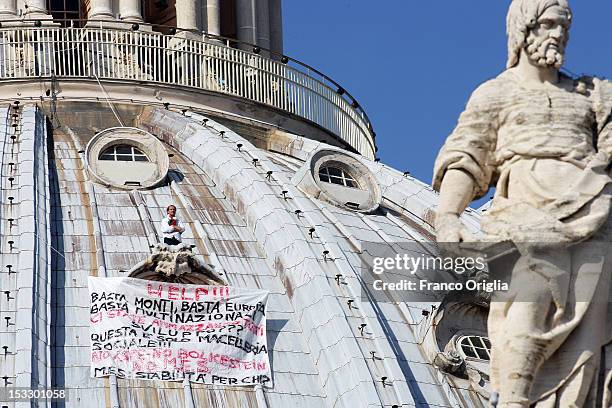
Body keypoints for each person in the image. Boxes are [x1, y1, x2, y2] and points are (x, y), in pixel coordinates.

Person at [433, 0, 612, 406]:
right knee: (522, 315)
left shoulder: (591, 96)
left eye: (563, 26)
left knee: (592, 330)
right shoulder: (497, 93)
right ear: (523, 29)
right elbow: (468, 156)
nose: (558, 34)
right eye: (548, 24)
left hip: (593, 215)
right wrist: (448, 216)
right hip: (524, 216)